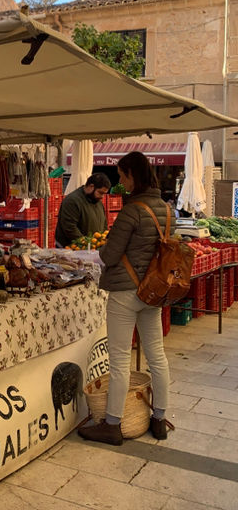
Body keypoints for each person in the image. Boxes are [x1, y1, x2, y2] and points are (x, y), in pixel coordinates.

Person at [78, 151, 173, 445]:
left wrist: (107, 243)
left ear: (133, 175)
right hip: (152, 291)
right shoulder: (166, 210)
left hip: (125, 292)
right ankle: (158, 418)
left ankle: (112, 424)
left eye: (122, 176)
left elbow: (109, 254)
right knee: (157, 356)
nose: (121, 181)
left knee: (119, 360)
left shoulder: (133, 211)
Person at [55, 172, 111, 247]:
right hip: (71, 250)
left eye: (104, 194)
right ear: (91, 186)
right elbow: (70, 228)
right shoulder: (72, 201)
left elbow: (104, 223)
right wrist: (87, 244)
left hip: (91, 249)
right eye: (100, 193)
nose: (102, 196)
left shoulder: (98, 202)